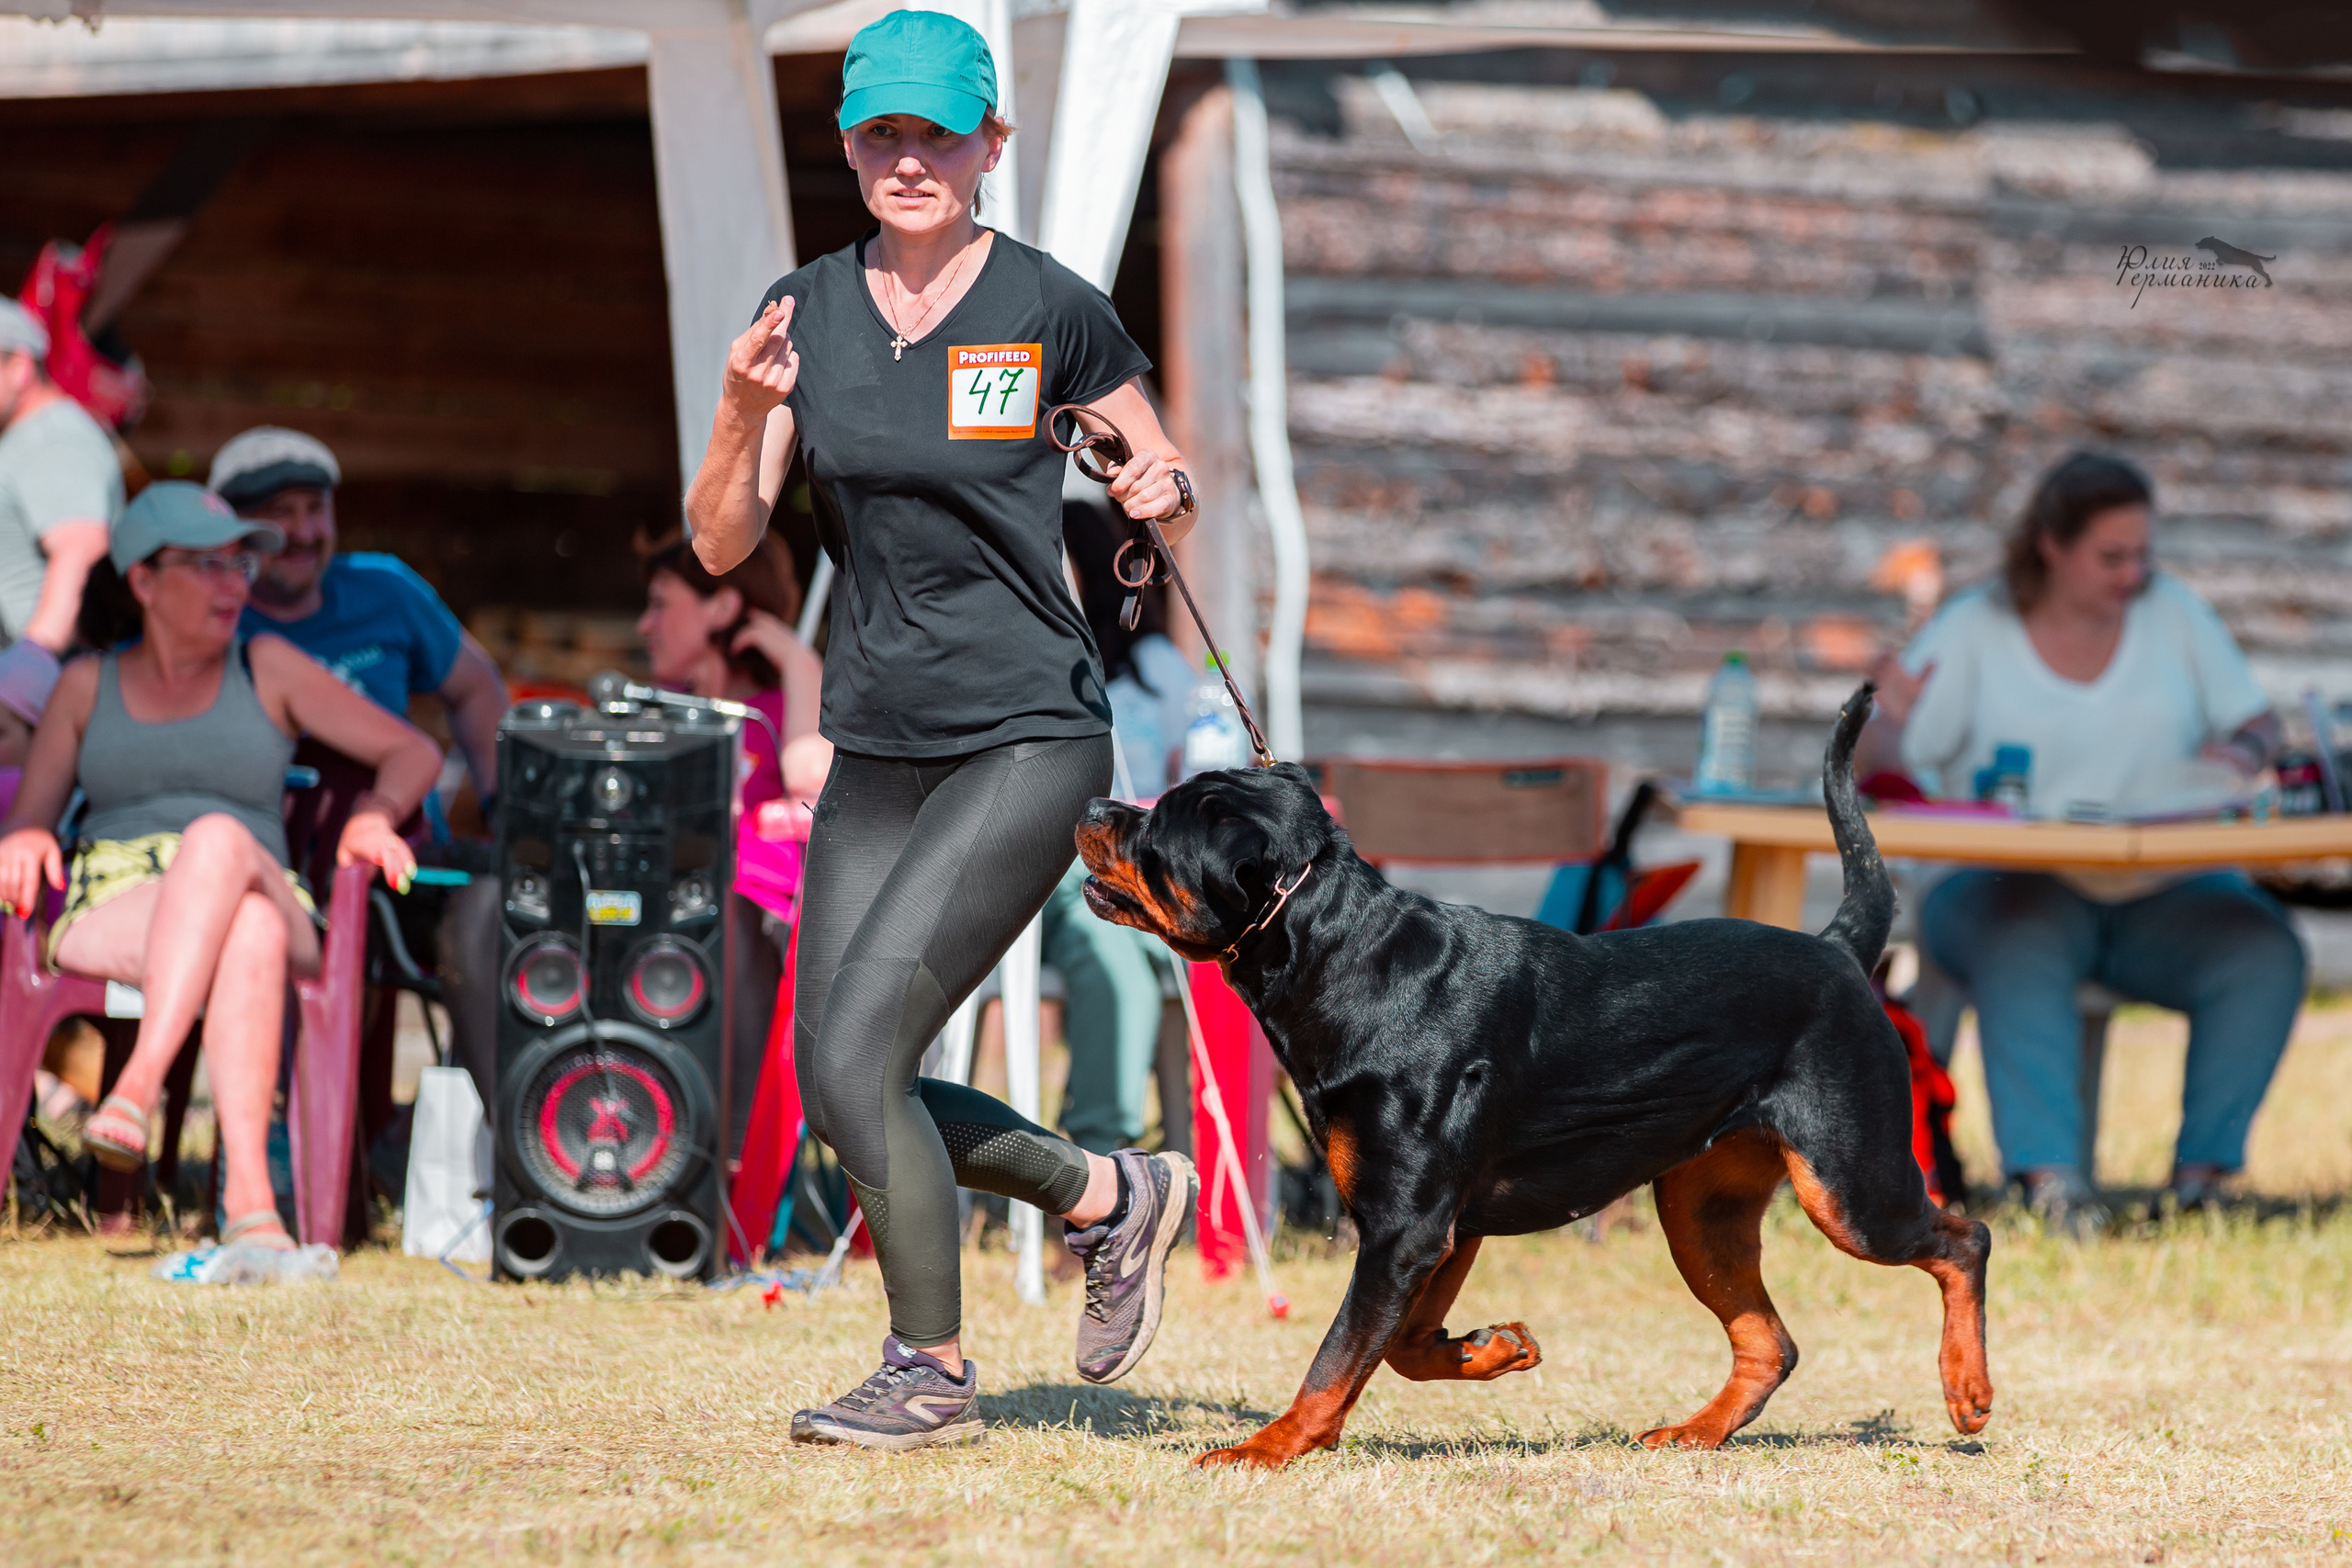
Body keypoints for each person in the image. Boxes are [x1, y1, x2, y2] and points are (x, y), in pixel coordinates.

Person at [684, 8, 1201, 1450]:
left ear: (991, 145)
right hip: (877, 744)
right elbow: (723, 545)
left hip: (1030, 732)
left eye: (938, 132)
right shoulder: (808, 311)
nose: (911, 157)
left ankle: (931, 1371)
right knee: (847, 1074)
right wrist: (737, 413)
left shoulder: (1049, 305)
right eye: (883, 132)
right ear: (849, 145)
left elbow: (1153, 460)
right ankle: (1115, 1196)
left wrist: (1156, 488)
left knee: (859, 1055)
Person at [1866, 451, 2305, 1230]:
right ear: (2050, 544)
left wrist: (2243, 752)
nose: (2133, 574)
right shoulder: (1973, 625)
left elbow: (2258, 721)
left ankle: (2202, 1187)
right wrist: (1885, 715)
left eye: (2143, 554)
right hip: (2002, 887)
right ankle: (2052, 1185)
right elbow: (1887, 766)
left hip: (2161, 892)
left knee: (2263, 948)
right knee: (2021, 934)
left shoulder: (2173, 613)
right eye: (2111, 556)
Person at [0, 483, 440, 1254]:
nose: (236, 583)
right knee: (251, 932)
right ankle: (252, 1208)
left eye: (240, 564)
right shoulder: (85, 685)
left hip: (262, 873)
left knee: (219, 843)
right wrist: (26, 837)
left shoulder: (266, 665)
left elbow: (414, 749)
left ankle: (137, 1083)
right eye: (209, 566)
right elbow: (31, 819)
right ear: (144, 579)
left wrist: (373, 812)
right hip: (123, 896)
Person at [209, 426, 510, 1107]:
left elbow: (475, 687)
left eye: (315, 509)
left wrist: (500, 805)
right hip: (266, 864)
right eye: (279, 514)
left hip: (402, 858)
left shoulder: (384, 589)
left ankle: (483, 1136)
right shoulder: (214, 617)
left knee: (508, 905)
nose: (304, 530)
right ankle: (302, 1126)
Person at [635, 527, 829, 1155]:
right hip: (658, 918)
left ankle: (726, 1160)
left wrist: (799, 662)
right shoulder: (653, 716)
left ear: (721, 606)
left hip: (761, 935)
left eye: (662, 602)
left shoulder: (780, 707)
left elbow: (809, 779)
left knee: (730, 916)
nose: (645, 624)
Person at [1044, 500, 1191, 1156]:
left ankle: (1105, 1152)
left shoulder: (1156, 667)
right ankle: (1108, 1154)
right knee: (1109, 939)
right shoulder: (1022, 667)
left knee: (1123, 935)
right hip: (1047, 871)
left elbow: (1209, 767)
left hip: (1140, 869)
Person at [0, 297, 119, 688]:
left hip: (45, 689)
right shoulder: (25, 437)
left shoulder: (55, 440)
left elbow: (79, 552)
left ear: (19, 367)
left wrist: (28, 673)